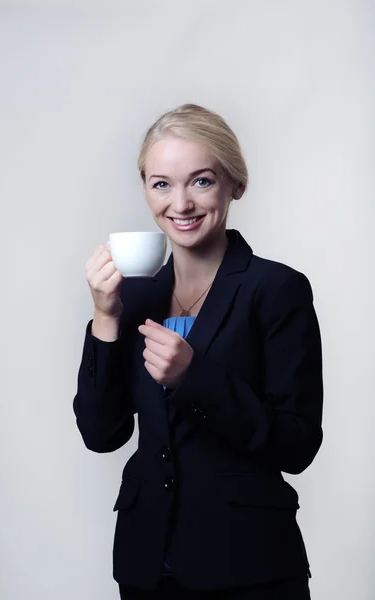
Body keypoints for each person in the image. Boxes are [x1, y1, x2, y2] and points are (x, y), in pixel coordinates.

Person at [73, 104, 323, 599]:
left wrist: (196, 378)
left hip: (249, 567)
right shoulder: (135, 297)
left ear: (236, 185)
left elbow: (298, 445)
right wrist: (105, 317)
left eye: (201, 181)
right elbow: (102, 435)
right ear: (146, 189)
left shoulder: (277, 289)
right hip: (147, 568)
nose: (181, 204)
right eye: (162, 184)